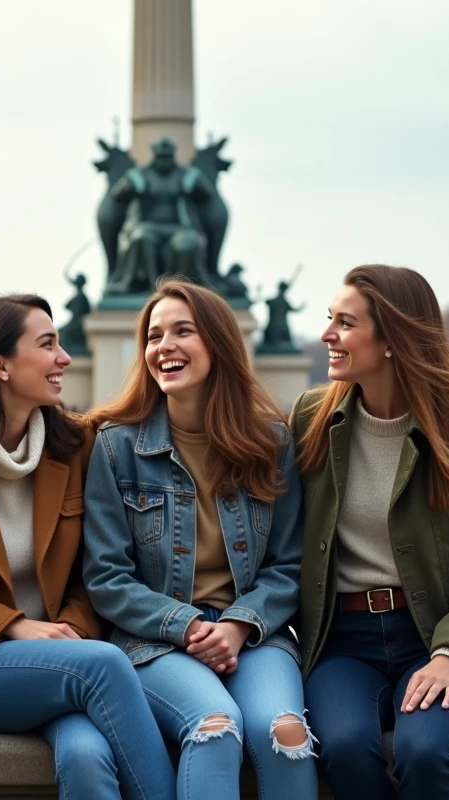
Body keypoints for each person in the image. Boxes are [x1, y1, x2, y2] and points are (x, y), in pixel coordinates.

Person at [291, 265, 449, 800]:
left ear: (390, 340)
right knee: (341, 747)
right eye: (329, 320)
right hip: (342, 646)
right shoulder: (312, 417)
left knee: (424, 752)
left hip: (433, 636)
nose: (326, 336)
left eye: (344, 323)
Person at [0, 294, 175, 800]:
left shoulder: (76, 450)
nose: (65, 359)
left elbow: (93, 573)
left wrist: (67, 633)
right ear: (0, 365)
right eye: (48, 344)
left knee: (85, 755)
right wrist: (13, 626)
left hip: (67, 660)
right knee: (105, 664)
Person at [84, 278, 316, 800]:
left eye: (182, 331)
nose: (163, 346)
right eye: (153, 335)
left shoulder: (270, 441)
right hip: (152, 641)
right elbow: (106, 577)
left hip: (255, 635)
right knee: (215, 728)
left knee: (286, 733)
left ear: (218, 344)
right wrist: (187, 625)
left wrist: (237, 625)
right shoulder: (116, 446)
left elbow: (289, 565)